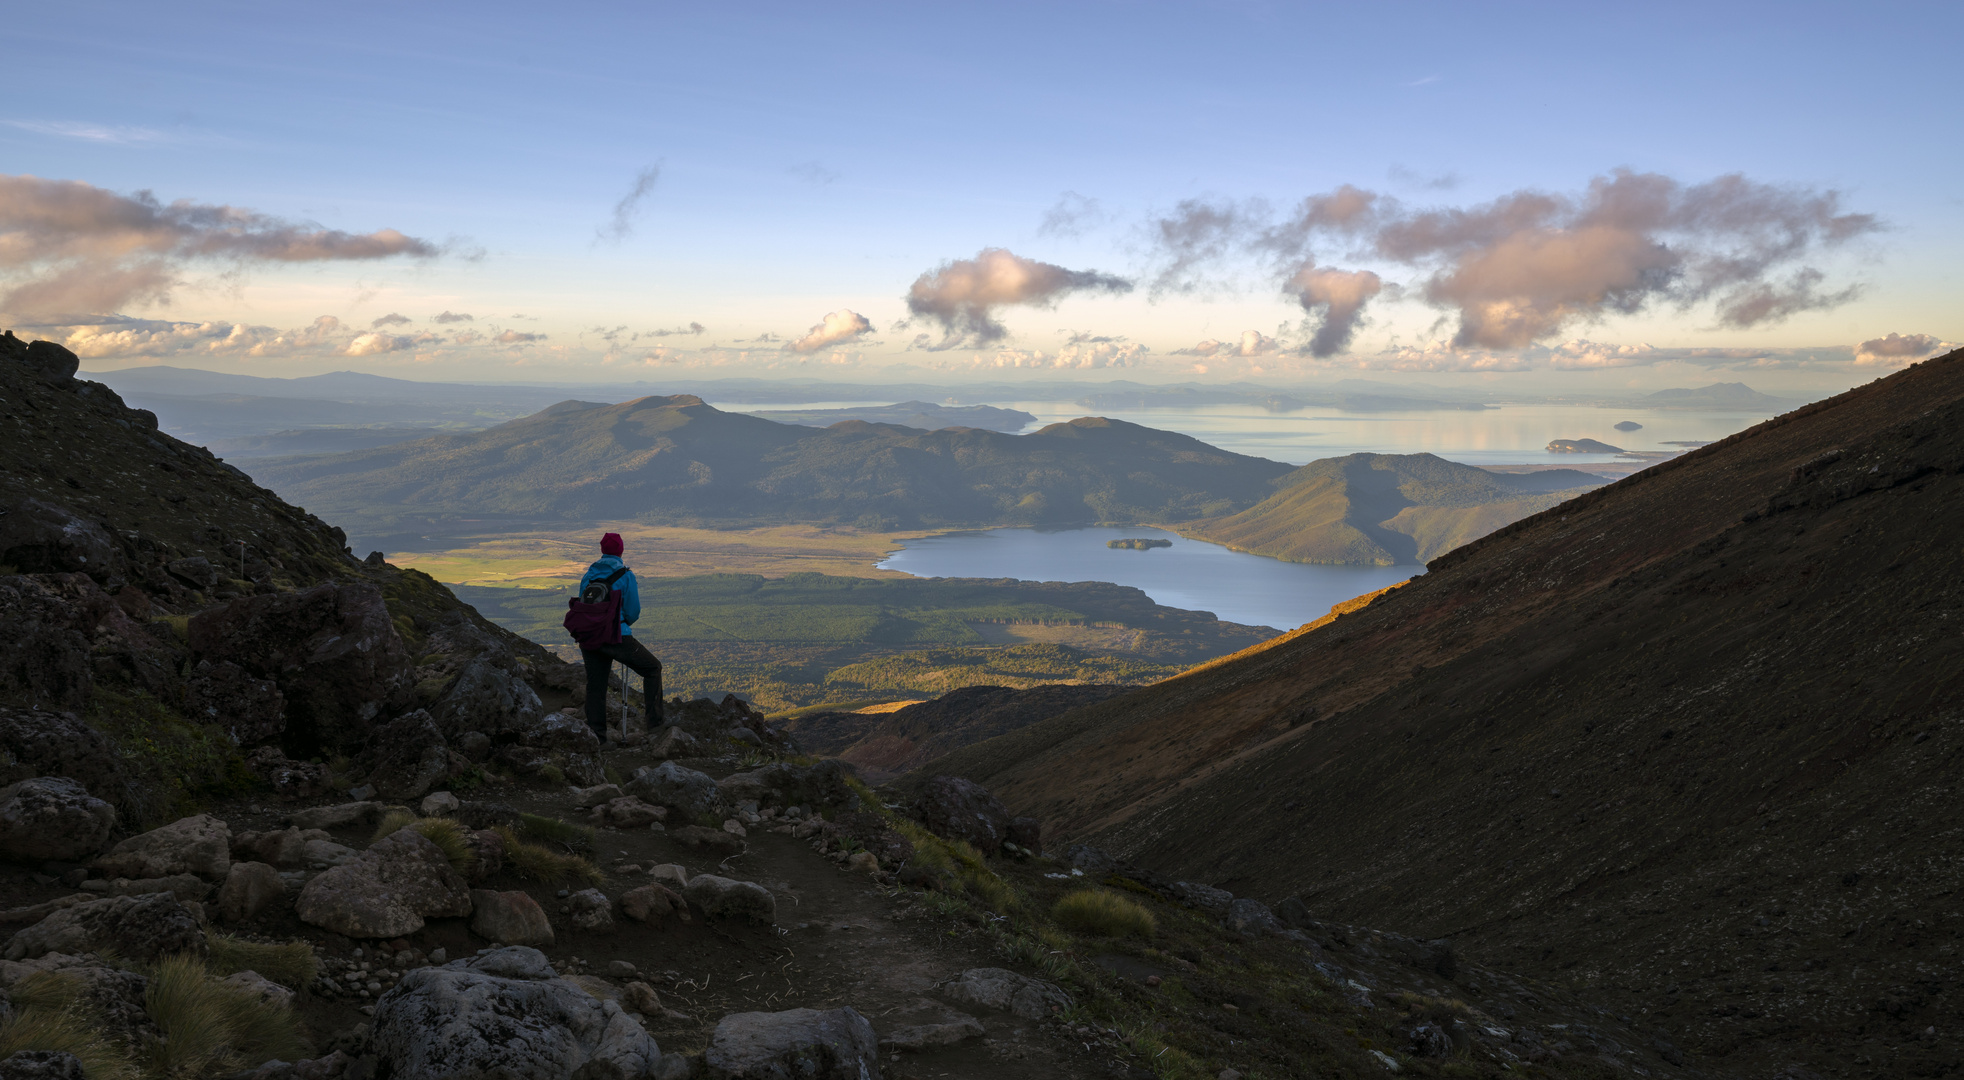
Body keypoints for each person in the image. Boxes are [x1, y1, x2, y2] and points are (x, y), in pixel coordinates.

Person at [577, 532, 663, 744]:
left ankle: (598, 738)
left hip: (590, 637)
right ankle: (656, 726)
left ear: (602, 550)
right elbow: (633, 611)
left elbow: (582, 605)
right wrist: (623, 624)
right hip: (617, 636)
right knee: (652, 669)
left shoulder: (589, 575)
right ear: (621, 551)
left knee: (596, 685)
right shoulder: (625, 575)